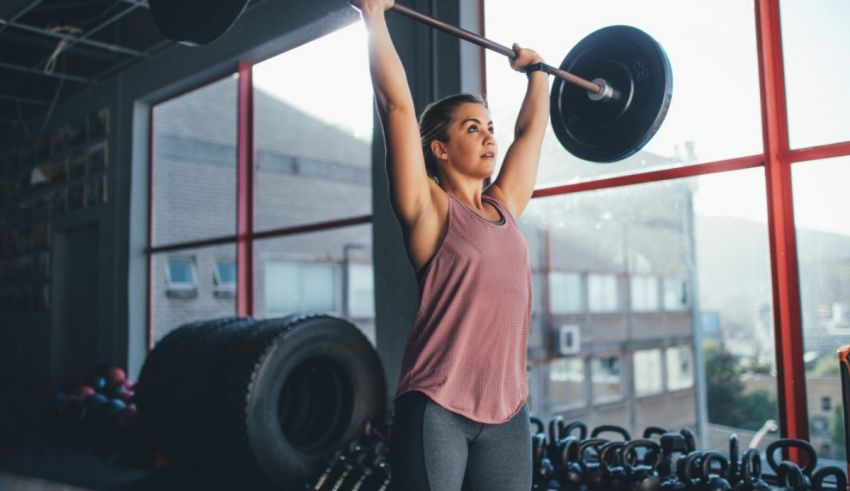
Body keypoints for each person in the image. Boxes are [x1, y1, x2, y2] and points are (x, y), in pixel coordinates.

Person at [350, 0, 549, 489]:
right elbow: (395, 106)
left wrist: (538, 74)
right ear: (439, 149)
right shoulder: (428, 208)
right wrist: (373, 18)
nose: (488, 138)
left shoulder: (504, 206)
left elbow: (530, 134)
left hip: (508, 413)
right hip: (437, 408)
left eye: (489, 127)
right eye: (471, 128)